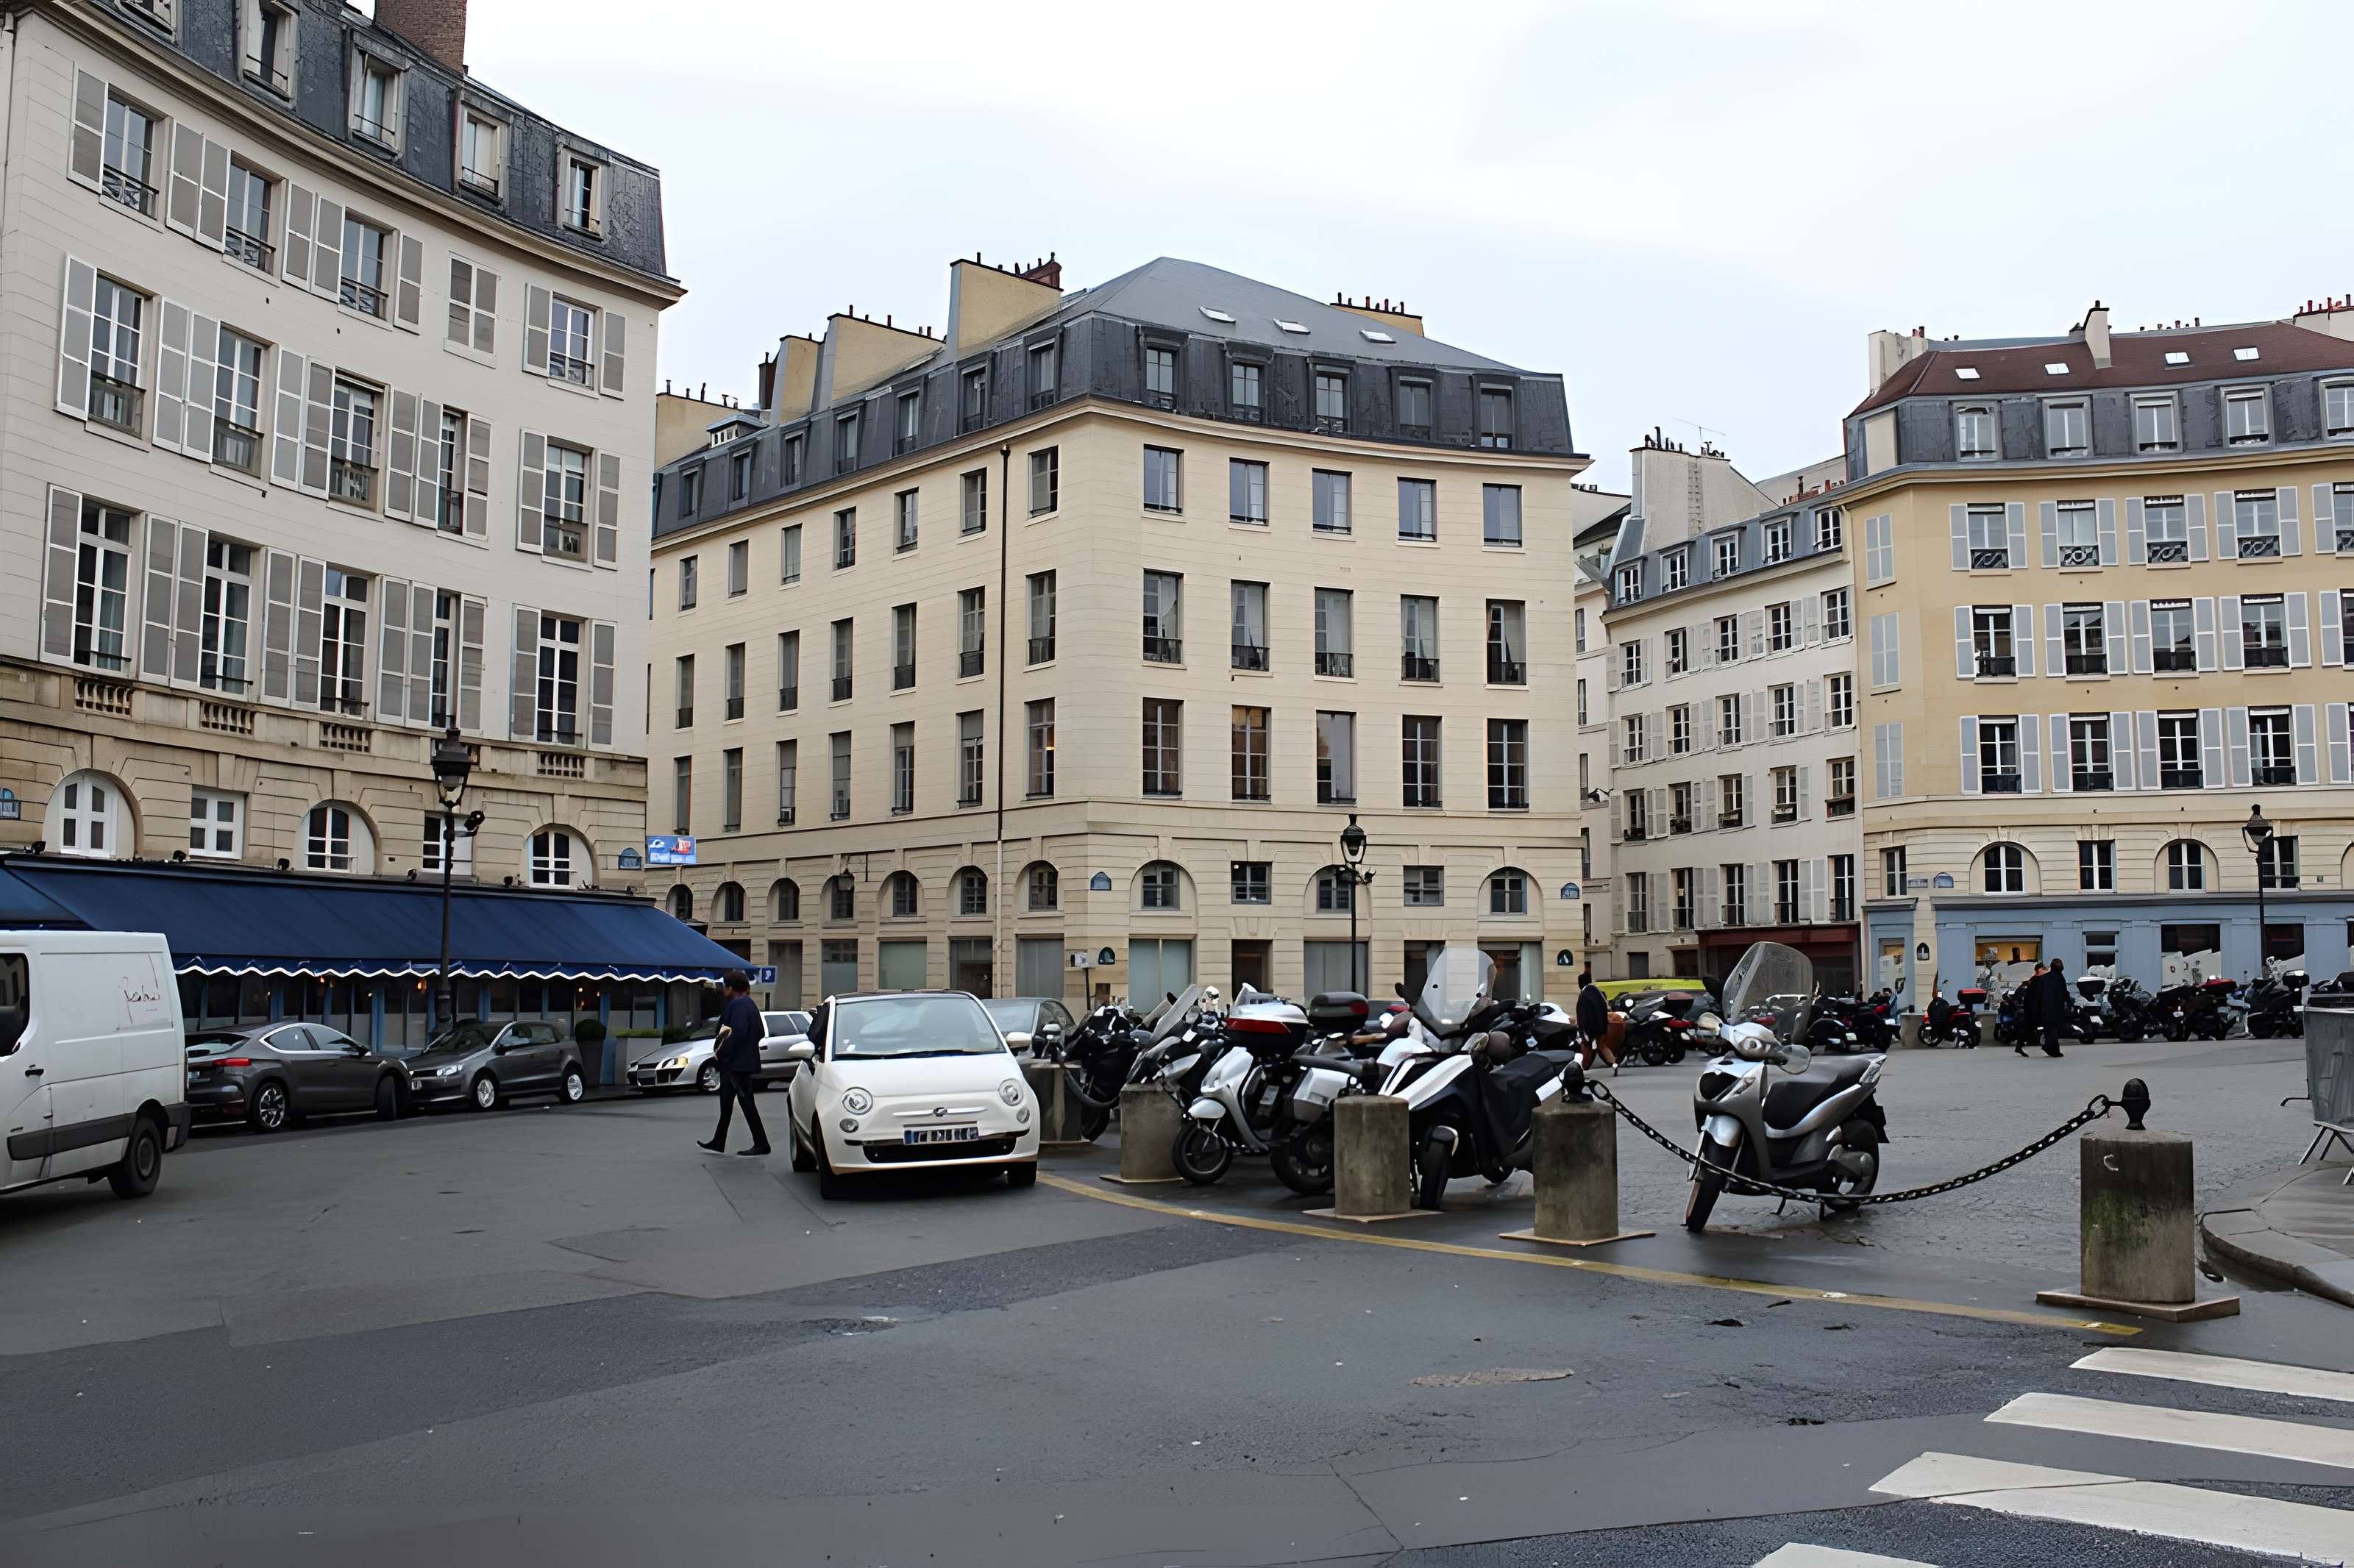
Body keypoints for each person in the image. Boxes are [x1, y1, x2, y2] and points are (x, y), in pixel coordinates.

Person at [697, 970, 772, 1156]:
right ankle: (719, 1141)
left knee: (745, 1102)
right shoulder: (750, 1004)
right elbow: (760, 1032)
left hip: (735, 1064)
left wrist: (723, 1054)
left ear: (731, 988)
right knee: (729, 1103)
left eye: (725, 987)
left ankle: (761, 1143)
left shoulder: (738, 1005)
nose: (724, 991)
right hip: (742, 1062)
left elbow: (736, 1033)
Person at [1574, 969, 1618, 1072]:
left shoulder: (1584, 995)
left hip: (1590, 1027)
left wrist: (1584, 1031)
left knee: (1586, 1047)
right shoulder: (1598, 992)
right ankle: (1614, 1063)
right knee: (1602, 1046)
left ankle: (1582, 1069)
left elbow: (1583, 1015)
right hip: (1602, 1025)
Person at [2037, 958, 2070, 1058]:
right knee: (2054, 1029)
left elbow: (2039, 993)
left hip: (2045, 1007)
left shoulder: (2045, 978)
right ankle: (2050, 1048)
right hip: (2056, 1007)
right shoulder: (2060, 978)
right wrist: (2068, 1002)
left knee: (2049, 1029)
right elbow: (2065, 993)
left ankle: (2053, 1049)